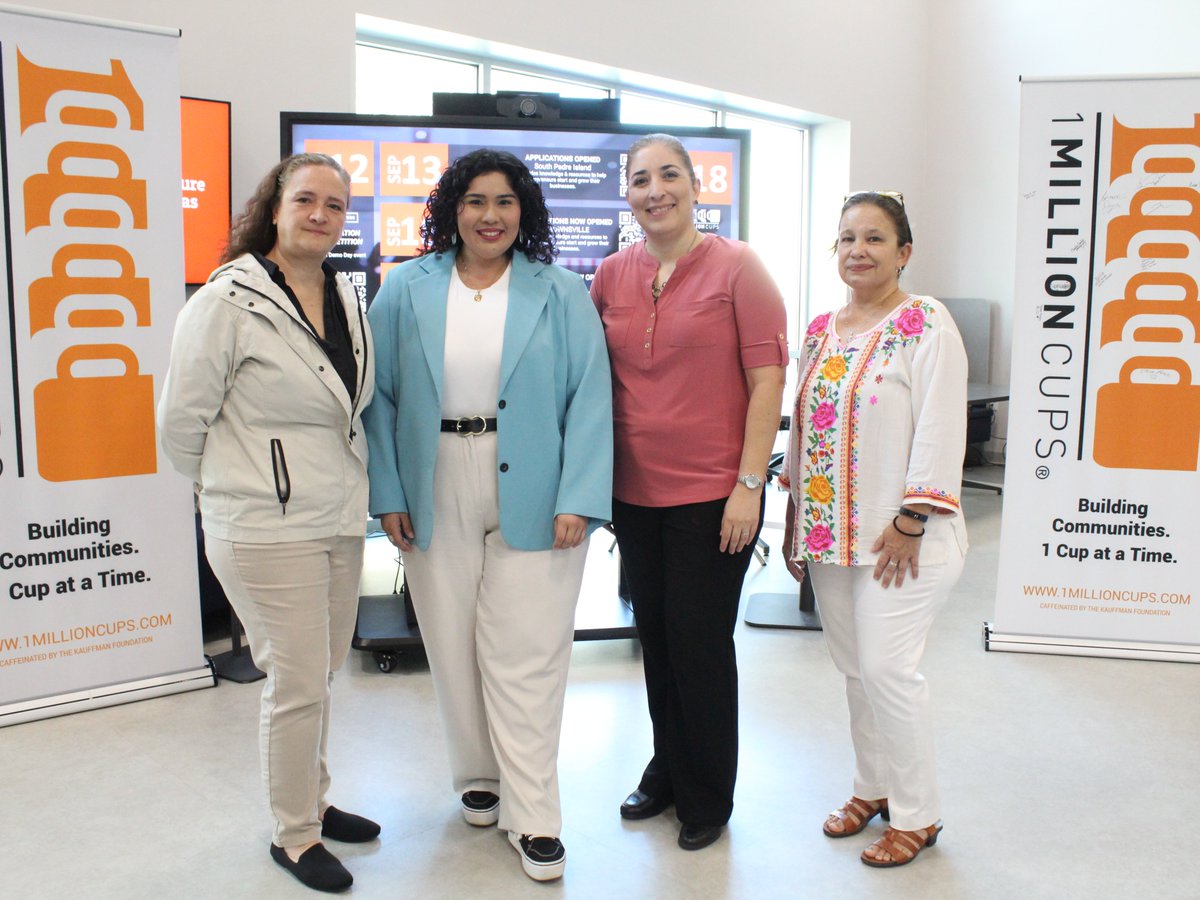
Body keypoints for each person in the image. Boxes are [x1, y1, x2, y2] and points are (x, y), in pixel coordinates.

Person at [362, 149, 612, 882]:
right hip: (433, 477)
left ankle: (534, 814)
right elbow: (379, 398)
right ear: (452, 210)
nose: (490, 215)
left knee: (529, 654)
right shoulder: (406, 288)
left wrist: (580, 495)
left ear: (524, 213)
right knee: (450, 640)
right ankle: (477, 775)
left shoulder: (561, 292)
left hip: (536, 484)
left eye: (505, 202)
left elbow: (591, 397)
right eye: (475, 201)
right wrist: (389, 492)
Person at [158, 153, 378, 893]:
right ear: (274, 208)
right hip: (261, 526)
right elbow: (180, 424)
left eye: (335, 206)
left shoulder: (346, 295)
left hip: (336, 516)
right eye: (306, 200)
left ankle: (312, 801)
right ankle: (294, 835)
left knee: (319, 672)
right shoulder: (227, 300)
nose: (321, 214)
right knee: (295, 680)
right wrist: (231, 491)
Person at [590, 133, 788, 851]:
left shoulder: (738, 267)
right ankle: (668, 769)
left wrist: (749, 485)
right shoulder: (611, 273)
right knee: (658, 641)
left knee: (699, 644)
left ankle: (708, 793)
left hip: (714, 493)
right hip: (634, 493)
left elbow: (768, 379)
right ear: (628, 194)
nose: (655, 190)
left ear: (696, 184)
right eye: (641, 179)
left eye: (669, 175)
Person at [781, 191, 968, 868]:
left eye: (875, 239)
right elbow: (803, 430)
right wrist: (799, 520)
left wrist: (914, 517)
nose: (858, 250)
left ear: (904, 252)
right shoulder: (820, 330)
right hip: (833, 537)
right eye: (847, 239)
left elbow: (943, 424)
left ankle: (919, 816)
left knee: (889, 670)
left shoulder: (925, 323)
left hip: (906, 538)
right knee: (856, 671)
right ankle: (873, 788)